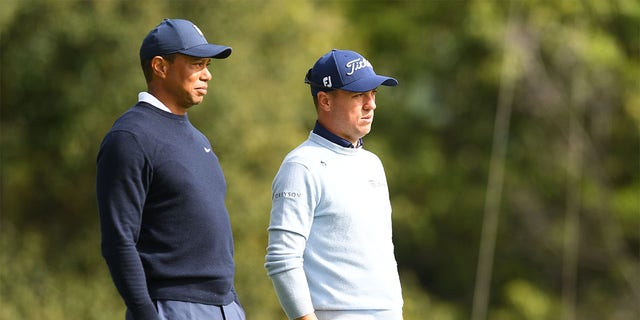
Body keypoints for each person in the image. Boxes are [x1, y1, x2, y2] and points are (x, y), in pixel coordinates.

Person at [96, 19, 245, 320]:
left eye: (207, 65)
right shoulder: (130, 138)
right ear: (160, 67)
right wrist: (145, 314)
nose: (208, 74)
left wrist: (232, 304)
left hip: (225, 306)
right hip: (174, 307)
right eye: (197, 64)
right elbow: (118, 241)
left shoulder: (199, 139)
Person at [265, 49, 404, 320]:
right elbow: (282, 259)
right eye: (358, 95)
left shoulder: (372, 163)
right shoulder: (301, 165)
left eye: (373, 93)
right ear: (325, 101)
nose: (371, 104)